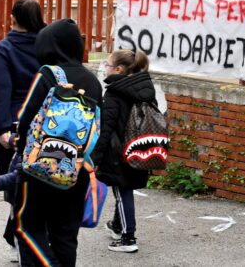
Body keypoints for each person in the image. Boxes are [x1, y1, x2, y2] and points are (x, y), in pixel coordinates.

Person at [13, 18, 102, 266]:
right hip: (76, 169)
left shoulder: (49, 74)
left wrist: (22, 152)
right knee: (65, 234)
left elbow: (26, 120)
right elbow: (98, 128)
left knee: (26, 226)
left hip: (40, 168)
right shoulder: (92, 80)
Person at [0, 0, 45, 255]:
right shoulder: (47, 47)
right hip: (47, 124)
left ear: (12, 18)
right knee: (43, 179)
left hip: (14, 126)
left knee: (16, 184)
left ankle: (21, 239)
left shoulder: (4, 50)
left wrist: (1, 130)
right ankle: (20, 236)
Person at [92, 49, 156, 253]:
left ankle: (128, 238)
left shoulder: (114, 93)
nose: (105, 68)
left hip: (118, 151)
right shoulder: (144, 89)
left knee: (122, 192)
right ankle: (117, 226)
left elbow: (106, 129)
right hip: (139, 148)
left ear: (118, 69)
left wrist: (96, 157)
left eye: (107, 65)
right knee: (124, 188)